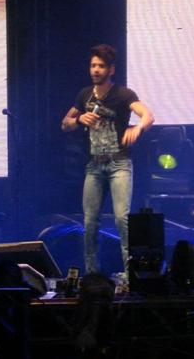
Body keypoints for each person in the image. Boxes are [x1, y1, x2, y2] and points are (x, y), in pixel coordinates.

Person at [61, 44, 154, 276]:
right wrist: (79, 119)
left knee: (122, 219)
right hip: (94, 165)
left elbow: (147, 115)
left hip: (118, 163)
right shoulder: (84, 95)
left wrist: (138, 128)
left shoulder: (123, 94)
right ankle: (92, 274)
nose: (95, 70)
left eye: (101, 66)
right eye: (93, 65)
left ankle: (130, 275)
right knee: (90, 221)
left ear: (111, 69)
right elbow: (65, 124)